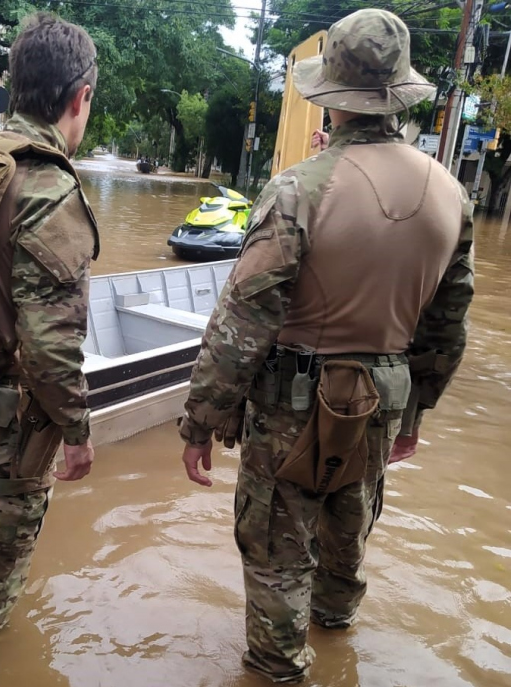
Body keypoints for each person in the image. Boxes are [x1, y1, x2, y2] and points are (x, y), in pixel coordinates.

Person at [178, 8, 473, 683]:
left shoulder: (298, 189)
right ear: (398, 93)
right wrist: (416, 412)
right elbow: (448, 326)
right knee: (351, 526)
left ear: (330, 98)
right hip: (383, 400)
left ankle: (278, 666)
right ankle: (337, 632)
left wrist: (200, 420)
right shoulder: (451, 196)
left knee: (278, 548)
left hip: (291, 401)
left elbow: (243, 320)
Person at [0, 12, 99, 638]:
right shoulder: (46, 186)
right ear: (80, 96)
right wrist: (77, 430)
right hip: (10, 414)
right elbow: (48, 344)